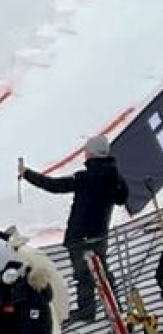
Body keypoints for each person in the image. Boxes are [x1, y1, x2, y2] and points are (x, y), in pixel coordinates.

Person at [19, 135, 127, 323]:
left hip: (80, 237)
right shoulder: (115, 177)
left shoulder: (85, 178)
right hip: (100, 235)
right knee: (102, 271)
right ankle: (116, 306)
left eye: (86, 150)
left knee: (83, 275)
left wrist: (27, 174)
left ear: (92, 153)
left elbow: (54, 186)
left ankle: (87, 312)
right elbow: (122, 198)